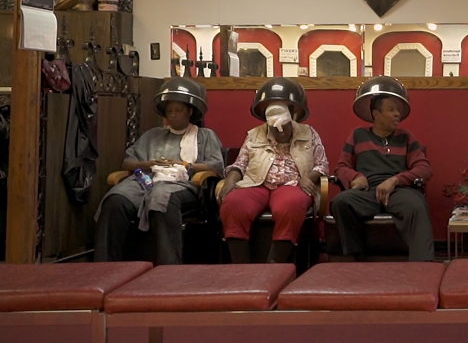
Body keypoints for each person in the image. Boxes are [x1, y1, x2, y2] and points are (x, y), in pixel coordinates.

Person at [94, 77, 224, 265]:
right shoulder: (153, 135)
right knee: (116, 199)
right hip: (144, 180)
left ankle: (168, 269)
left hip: (182, 184)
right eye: (169, 111)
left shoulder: (204, 136)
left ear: (190, 111)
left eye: (178, 110)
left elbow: (216, 166)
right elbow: (128, 163)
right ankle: (104, 266)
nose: (173, 115)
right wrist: (148, 164)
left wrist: (185, 164)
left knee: (161, 198)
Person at [217, 78, 328, 263]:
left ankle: (274, 266)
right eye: (275, 127)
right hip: (256, 183)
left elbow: (322, 164)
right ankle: (241, 268)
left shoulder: (309, 133)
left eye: (284, 126)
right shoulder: (254, 135)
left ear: (292, 116)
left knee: (290, 205)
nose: (280, 131)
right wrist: (230, 180)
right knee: (233, 204)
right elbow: (240, 164)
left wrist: (308, 177)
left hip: (292, 185)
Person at [330, 76, 434, 262]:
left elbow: (424, 168)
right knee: (340, 202)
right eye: (391, 110)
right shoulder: (358, 135)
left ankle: (423, 265)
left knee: (417, 206)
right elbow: (341, 167)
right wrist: (356, 176)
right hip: (367, 190)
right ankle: (356, 256)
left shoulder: (406, 137)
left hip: (398, 190)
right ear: (376, 115)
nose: (397, 114)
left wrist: (395, 180)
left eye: (398, 110)